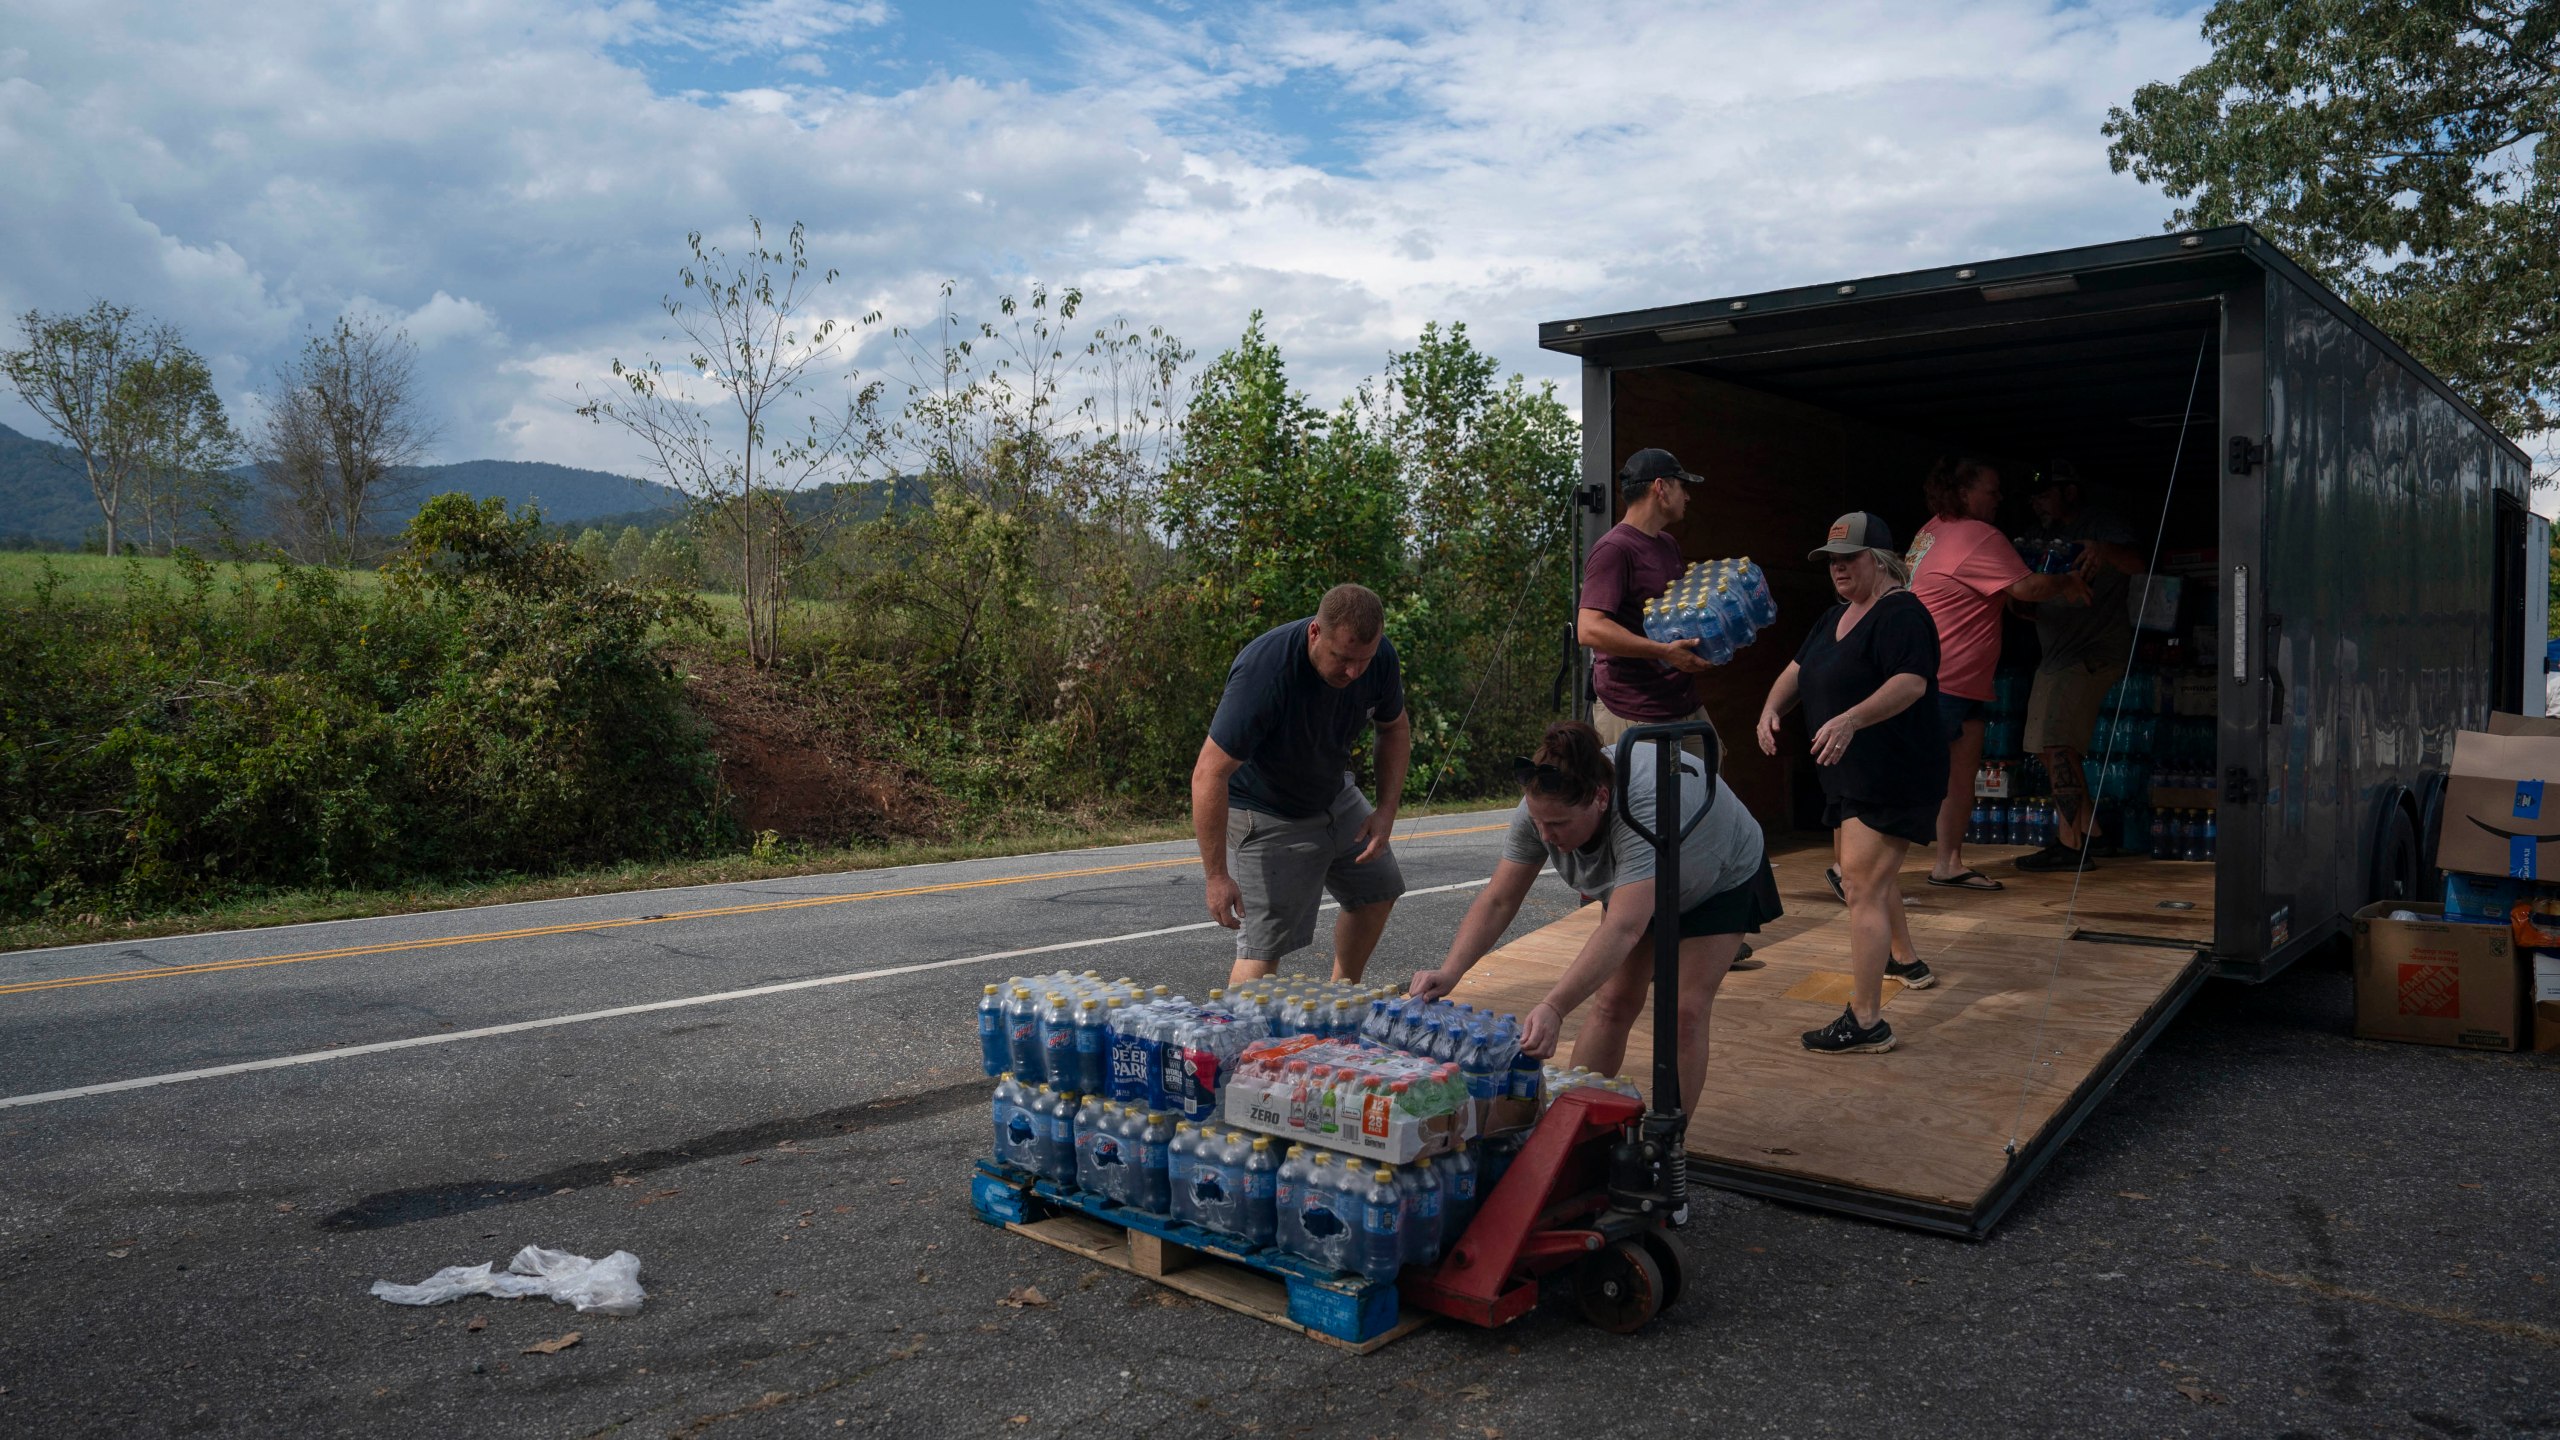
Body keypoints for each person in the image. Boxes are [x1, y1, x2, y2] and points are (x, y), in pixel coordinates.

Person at [1407, 718, 1777, 1122]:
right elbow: (1499, 899)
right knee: (1613, 1001)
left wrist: (1554, 1006)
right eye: (1539, 824)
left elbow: (1624, 927)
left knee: (1685, 1012)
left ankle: (1670, 1143)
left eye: (1559, 825)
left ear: (1601, 799)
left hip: (1718, 873)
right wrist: (1451, 969)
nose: (1546, 835)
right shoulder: (1541, 806)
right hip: (1647, 875)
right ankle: (1570, 1125)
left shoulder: (1642, 811)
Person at [1757, 512, 1943, 1055]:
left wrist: (1851, 718)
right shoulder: (1834, 616)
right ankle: (1905, 959)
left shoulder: (1902, 614)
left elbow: (1911, 683)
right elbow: (1798, 670)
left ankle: (1866, 1021)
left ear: (1881, 562)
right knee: (1868, 881)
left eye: (1850, 558)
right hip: (1847, 772)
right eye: (1832, 561)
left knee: (1861, 886)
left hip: (1893, 772)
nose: (1838, 569)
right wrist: (1771, 707)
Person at [1193, 583, 1412, 987]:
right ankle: (1240, 1045)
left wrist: (1385, 812)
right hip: (1264, 807)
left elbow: (1394, 729)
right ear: (1315, 633)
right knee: (1265, 944)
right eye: (1343, 658)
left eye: (1363, 660)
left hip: (1332, 792)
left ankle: (1341, 997)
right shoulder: (1265, 670)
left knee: (1379, 887)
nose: (1354, 672)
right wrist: (1216, 877)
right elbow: (1209, 773)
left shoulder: (1378, 657)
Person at [1905, 457, 2089, 892]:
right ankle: (1853, 867)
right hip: (1943, 675)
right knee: (1912, 775)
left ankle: (1948, 863)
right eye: (1992, 489)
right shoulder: (1979, 534)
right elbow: (2025, 588)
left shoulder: (1931, 530)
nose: (2000, 498)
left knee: (1959, 775)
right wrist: (2067, 581)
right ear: (1964, 492)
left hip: (1958, 678)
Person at [2014, 463, 2145, 871]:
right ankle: (2092, 837)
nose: (2037, 503)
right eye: (2032, 497)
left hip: (2092, 652)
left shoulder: (2101, 524)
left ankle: (2070, 845)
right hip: (2054, 654)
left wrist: (2102, 550)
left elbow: (2141, 563)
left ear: (2070, 491)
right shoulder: (2035, 536)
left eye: (2045, 493)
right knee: (2047, 746)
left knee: (2057, 744)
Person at [1577, 447, 1718, 763]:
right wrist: (1665, 652)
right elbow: (1589, 630)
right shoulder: (1614, 549)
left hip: (1683, 704)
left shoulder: (1667, 544)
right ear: (1661, 487)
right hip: (1634, 709)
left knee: (1708, 796)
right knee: (1645, 809)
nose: (1688, 497)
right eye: (1682, 486)